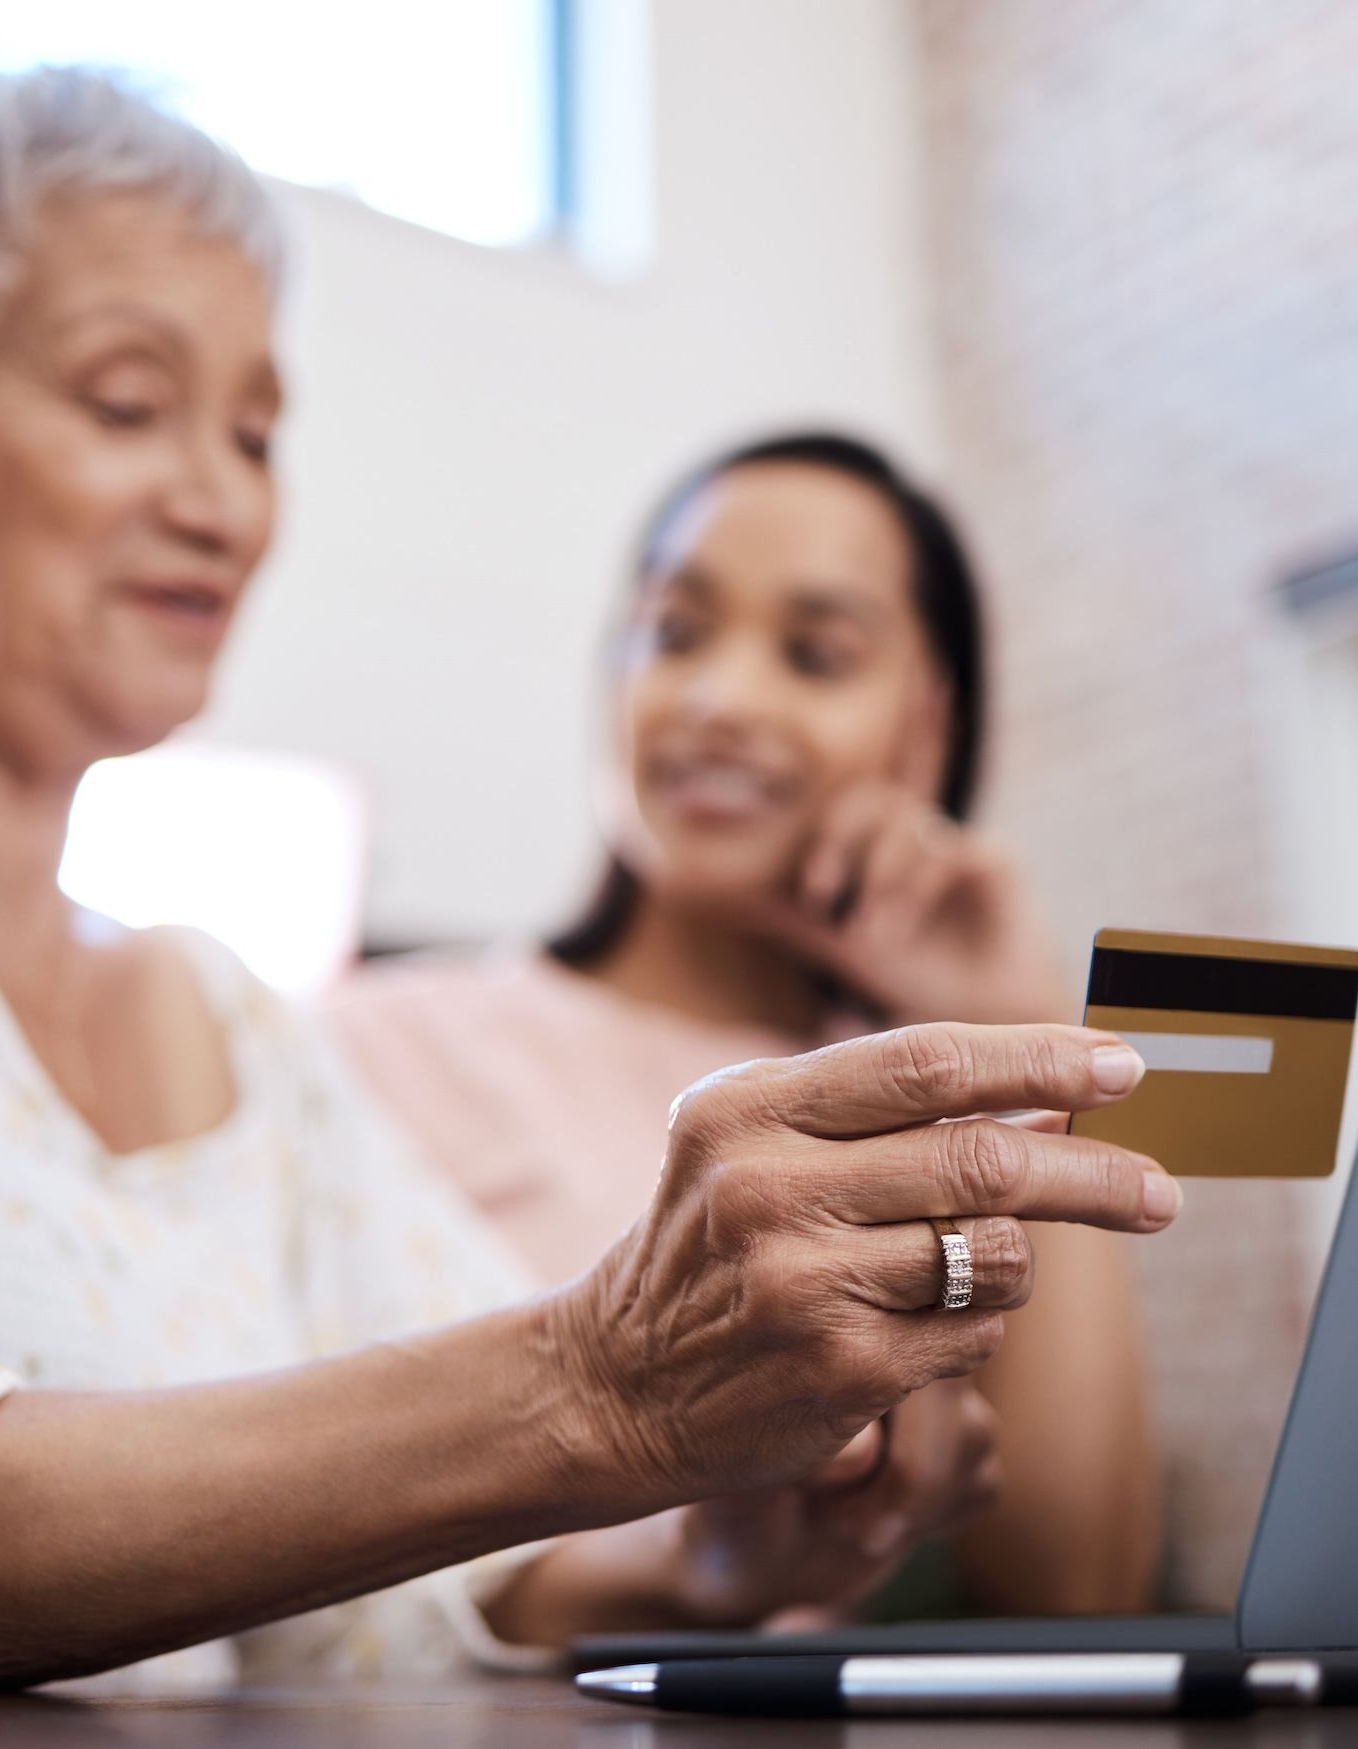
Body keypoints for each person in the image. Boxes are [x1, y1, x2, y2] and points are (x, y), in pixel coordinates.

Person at [0, 66, 1180, 1700]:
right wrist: (599, 1386)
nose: (222, 494)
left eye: (256, 429)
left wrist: (711, 1554)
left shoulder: (225, 1020)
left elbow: (433, 1576)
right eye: (125, 401)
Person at [329, 434, 1164, 1615]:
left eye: (815, 655)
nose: (720, 701)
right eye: (675, 635)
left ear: (927, 724)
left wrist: (1014, 1032)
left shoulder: (933, 1112)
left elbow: (1076, 1592)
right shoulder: (368, 1047)